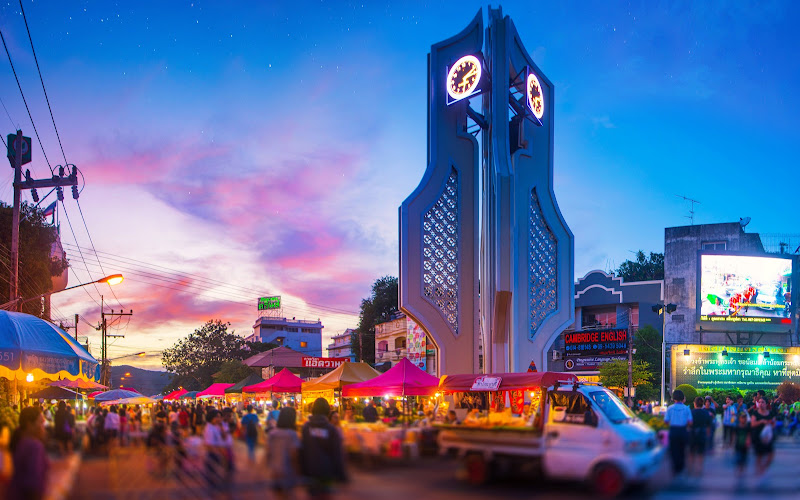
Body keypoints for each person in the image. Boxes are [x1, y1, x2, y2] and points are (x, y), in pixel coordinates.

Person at [301, 398, 347, 499]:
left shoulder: (306, 428)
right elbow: (337, 453)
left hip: (310, 470)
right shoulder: (331, 429)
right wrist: (341, 475)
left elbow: (303, 450)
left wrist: (302, 471)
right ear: (327, 411)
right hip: (327, 471)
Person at [7, 407, 49, 500]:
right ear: (29, 424)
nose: (43, 427)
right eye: (41, 423)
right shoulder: (34, 446)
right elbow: (33, 484)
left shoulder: (19, 442)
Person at [267, 407, 301, 498]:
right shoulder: (292, 434)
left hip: (275, 471)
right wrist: (298, 471)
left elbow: (268, 452)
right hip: (288, 471)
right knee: (289, 495)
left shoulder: (272, 433)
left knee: (279, 495)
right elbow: (294, 454)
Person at [664, 389, 692, 476]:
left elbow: (666, 421)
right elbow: (690, 422)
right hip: (683, 430)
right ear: (683, 398)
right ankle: (681, 467)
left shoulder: (670, 408)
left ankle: (675, 468)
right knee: (682, 449)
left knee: (674, 450)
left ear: (673, 398)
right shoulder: (686, 408)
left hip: (673, 430)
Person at [203, 409, 228, 492]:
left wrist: (221, 426)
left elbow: (224, 437)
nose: (219, 419)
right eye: (217, 417)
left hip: (217, 454)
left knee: (215, 474)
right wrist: (219, 453)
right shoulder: (209, 429)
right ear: (211, 417)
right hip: (212, 455)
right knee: (213, 475)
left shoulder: (215, 427)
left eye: (220, 417)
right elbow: (209, 445)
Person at [750, 397, 776, 477]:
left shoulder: (770, 413)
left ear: (766, 404)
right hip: (758, 436)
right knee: (759, 456)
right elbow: (752, 424)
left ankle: (763, 468)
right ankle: (759, 471)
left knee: (771, 455)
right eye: (759, 402)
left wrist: (770, 424)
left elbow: (774, 424)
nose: (761, 404)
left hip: (768, 437)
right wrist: (761, 421)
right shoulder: (755, 413)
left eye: (762, 402)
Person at [688, 397, 711, 477]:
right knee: (701, 453)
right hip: (702, 434)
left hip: (692, 434)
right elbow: (708, 426)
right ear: (703, 404)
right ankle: (699, 469)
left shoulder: (691, 412)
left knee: (691, 452)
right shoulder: (705, 413)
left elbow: (688, 424)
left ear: (695, 403)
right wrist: (707, 436)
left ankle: (690, 469)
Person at [733, 412, 751, 480]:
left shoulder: (747, 427)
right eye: (742, 418)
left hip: (745, 446)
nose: (744, 419)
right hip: (738, 445)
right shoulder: (737, 427)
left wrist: (749, 442)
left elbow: (749, 435)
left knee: (744, 459)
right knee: (738, 459)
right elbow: (734, 435)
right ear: (739, 419)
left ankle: (743, 471)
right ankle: (738, 470)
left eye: (745, 418)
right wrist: (733, 444)